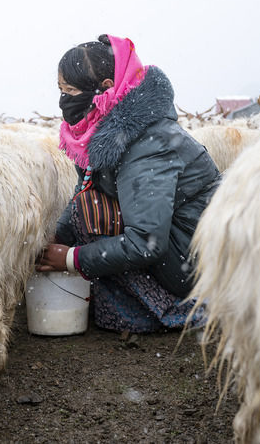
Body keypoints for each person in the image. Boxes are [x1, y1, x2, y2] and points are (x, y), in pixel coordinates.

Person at [36, 34, 220, 333]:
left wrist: (69, 258)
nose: (63, 101)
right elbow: (84, 190)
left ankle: (159, 306)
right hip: (179, 243)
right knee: (88, 207)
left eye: (70, 91)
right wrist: (56, 240)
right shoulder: (107, 134)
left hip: (195, 261)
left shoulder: (147, 143)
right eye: (60, 90)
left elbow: (147, 243)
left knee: (93, 210)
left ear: (105, 89)